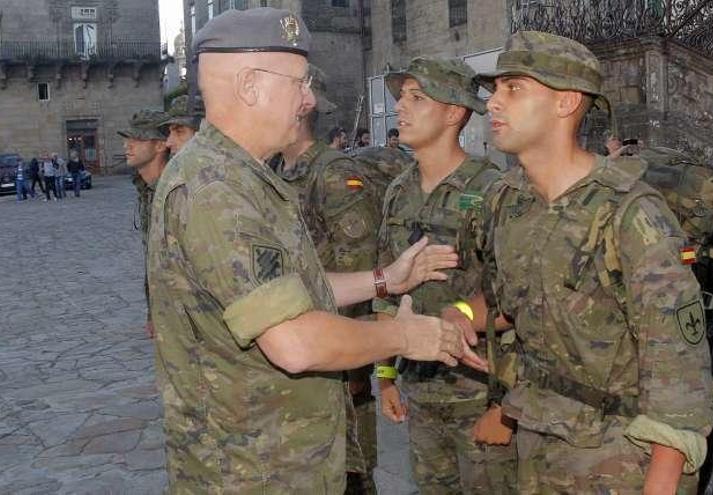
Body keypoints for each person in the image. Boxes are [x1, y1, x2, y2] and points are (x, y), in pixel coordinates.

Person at [146, 8, 483, 492]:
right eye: (299, 83)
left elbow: (283, 290)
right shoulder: (217, 190)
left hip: (275, 460)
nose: (308, 101)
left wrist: (384, 280)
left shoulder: (239, 176)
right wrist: (404, 338)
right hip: (253, 470)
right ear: (249, 87)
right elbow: (296, 342)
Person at [455, 30, 713, 493]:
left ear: (566, 103)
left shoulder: (630, 213)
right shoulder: (507, 201)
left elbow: (679, 365)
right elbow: (508, 308)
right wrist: (455, 317)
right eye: (494, 90)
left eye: (513, 88)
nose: (493, 104)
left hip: (617, 459)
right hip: (537, 442)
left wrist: (661, 484)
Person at [375, 57, 517, 494]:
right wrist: (385, 375)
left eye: (417, 97)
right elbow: (385, 292)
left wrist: (506, 406)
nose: (401, 107)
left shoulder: (493, 190)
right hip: (421, 392)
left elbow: (518, 301)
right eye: (401, 96)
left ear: (454, 111)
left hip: (480, 396)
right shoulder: (398, 190)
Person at [270, 64, 382, 495]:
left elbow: (360, 267)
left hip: (335, 351)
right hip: (298, 342)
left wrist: (355, 362)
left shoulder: (333, 173)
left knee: (348, 472)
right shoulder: (279, 171)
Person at [119, 109, 171, 339]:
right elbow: (154, 259)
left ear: (160, 145)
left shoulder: (175, 189)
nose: (127, 146)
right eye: (127, 139)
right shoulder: (146, 188)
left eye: (137, 139)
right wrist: (154, 311)